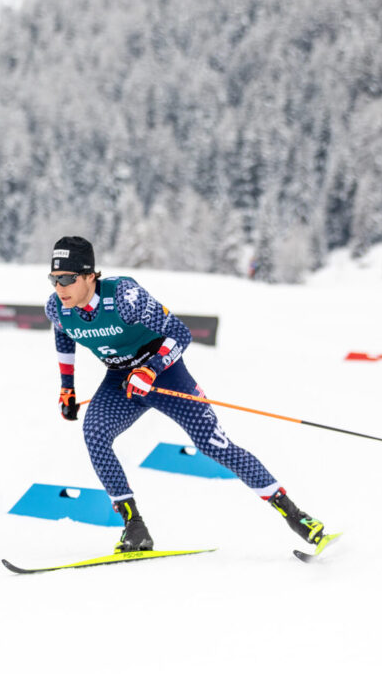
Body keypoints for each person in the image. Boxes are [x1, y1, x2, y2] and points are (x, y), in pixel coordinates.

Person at [44, 236, 330, 553]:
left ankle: (297, 518)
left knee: (214, 445)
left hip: (165, 374)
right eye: (54, 279)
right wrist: (67, 387)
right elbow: (63, 335)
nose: (59, 287)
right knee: (94, 433)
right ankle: (134, 528)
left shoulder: (124, 296)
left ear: (89, 276)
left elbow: (180, 333)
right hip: (120, 381)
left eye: (67, 278)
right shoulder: (58, 308)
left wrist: (150, 369)